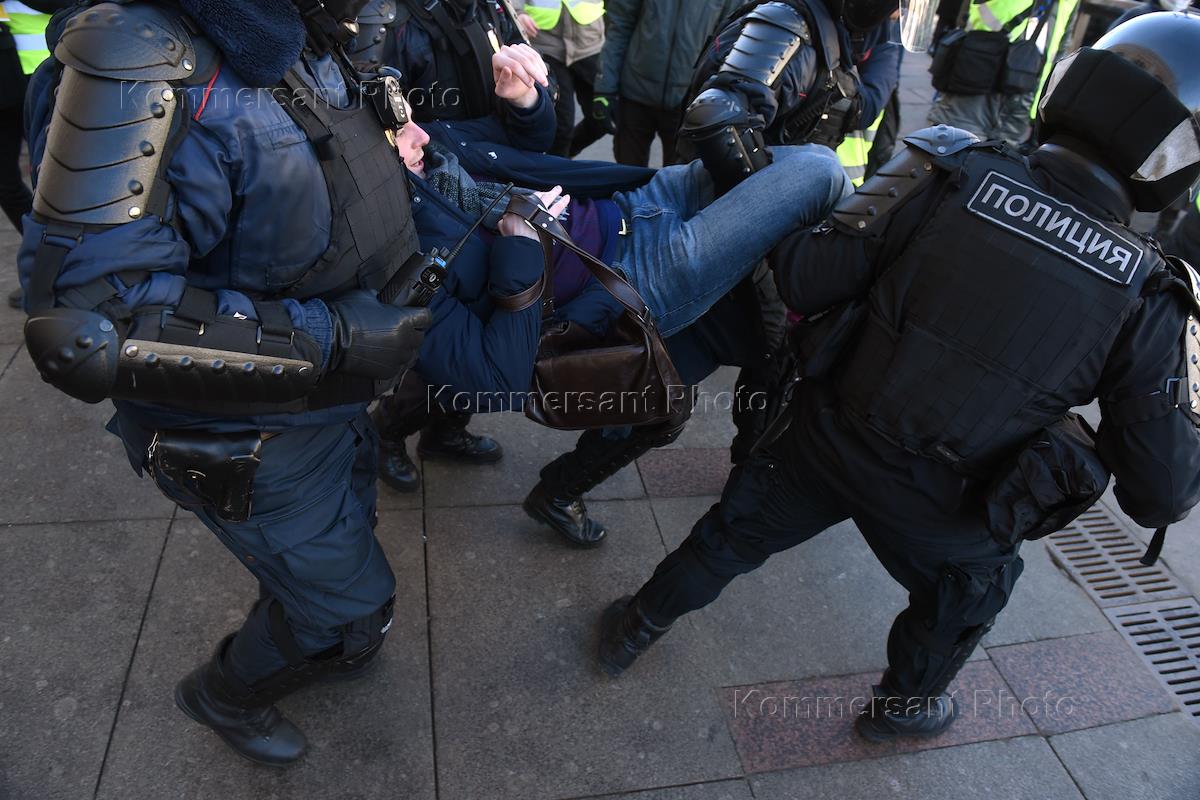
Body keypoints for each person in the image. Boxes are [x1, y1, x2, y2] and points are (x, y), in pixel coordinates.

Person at [596, 10, 1200, 746]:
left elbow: (805, 274)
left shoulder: (948, 165)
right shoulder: (1152, 294)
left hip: (828, 437)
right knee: (971, 594)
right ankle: (902, 709)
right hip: (953, 506)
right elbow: (1162, 492)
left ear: (1076, 87)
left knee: (729, 536)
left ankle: (637, 625)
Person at [19, 0, 431, 766]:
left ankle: (319, 618)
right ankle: (225, 694)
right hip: (248, 433)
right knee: (346, 603)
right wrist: (334, 336)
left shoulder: (300, 25)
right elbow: (86, 330)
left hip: (335, 406)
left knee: (336, 552)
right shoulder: (136, 56)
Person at [524, 0, 901, 548]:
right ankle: (552, 483)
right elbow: (716, 115)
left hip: (753, 245)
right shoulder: (789, 21)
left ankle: (576, 488)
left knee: (701, 383)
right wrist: (758, 218)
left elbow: (860, 111)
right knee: (660, 385)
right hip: (723, 233)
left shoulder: (846, 35)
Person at [347, 0, 558, 493]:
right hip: (425, 210)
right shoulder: (386, 20)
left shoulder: (488, 8)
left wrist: (528, 102)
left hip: (481, 192)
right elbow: (370, 127)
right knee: (434, 347)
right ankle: (387, 433)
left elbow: (533, 138)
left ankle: (446, 431)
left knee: (484, 318)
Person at [594, 0, 744, 167]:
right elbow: (620, 27)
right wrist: (605, 89)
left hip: (690, 103)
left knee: (678, 178)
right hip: (635, 95)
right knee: (627, 174)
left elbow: (729, 41)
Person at [927, 0, 1078, 146]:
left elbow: (1062, 44)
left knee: (997, 156)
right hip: (978, 77)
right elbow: (970, 17)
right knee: (952, 146)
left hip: (1021, 92)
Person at [1, 1, 65, 310]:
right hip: (7, 81)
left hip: (50, 76)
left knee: (59, 183)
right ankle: (44, 266)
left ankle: (68, 269)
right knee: (5, 183)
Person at [515, 0, 610, 157]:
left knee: (602, 119)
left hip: (589, 44)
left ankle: (563, 158)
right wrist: (518, 14)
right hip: (547, 46)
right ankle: (559, 163)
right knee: (561, 128)